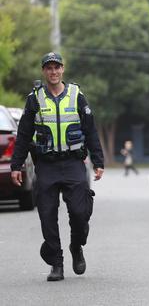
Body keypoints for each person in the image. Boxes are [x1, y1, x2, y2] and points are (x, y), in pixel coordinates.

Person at [10, 52, 104, 281]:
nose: (53, 72)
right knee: (47, 214)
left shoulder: (76, 95)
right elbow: (23, 135)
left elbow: (90, 129)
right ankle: (57, 263)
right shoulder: (35, 99)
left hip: (73, 163)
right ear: (44, 71)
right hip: (46, 165)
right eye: (48, 68)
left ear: (62, 69)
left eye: (57, 67)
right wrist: (16, 164)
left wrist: (98, 161)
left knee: (81, 213)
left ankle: (76, 246)